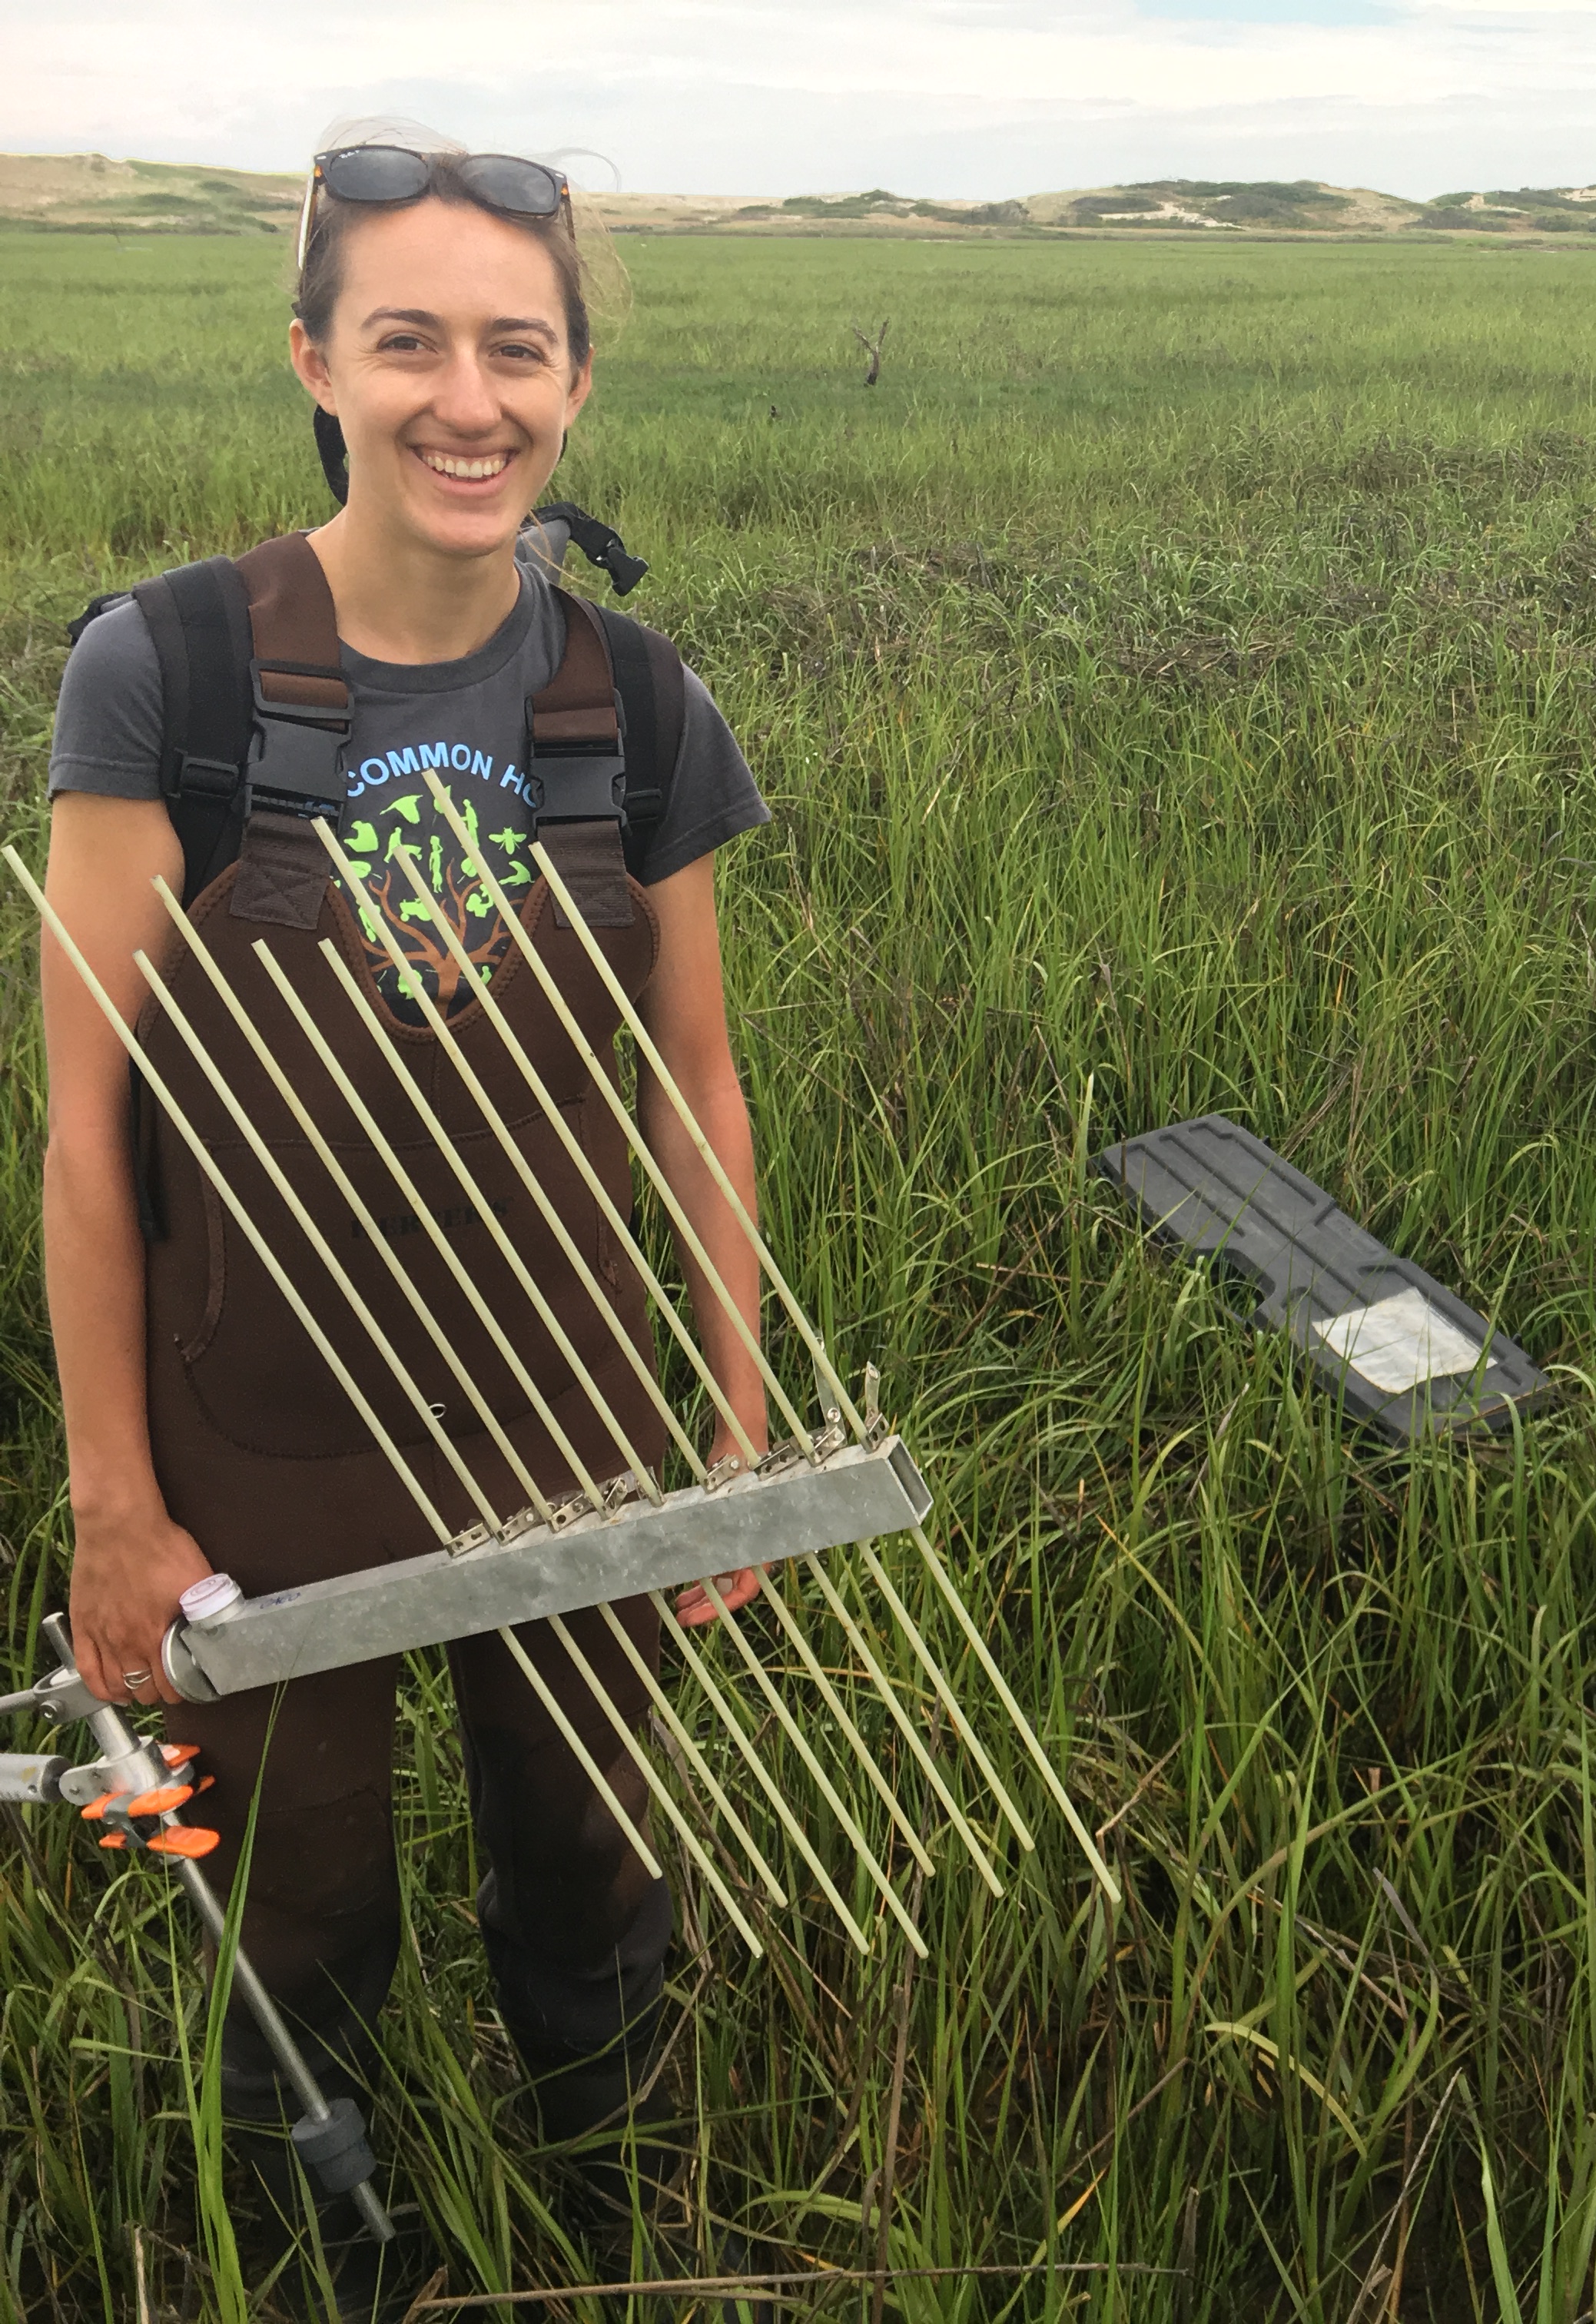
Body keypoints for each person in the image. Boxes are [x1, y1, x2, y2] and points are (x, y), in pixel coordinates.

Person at [39, 127, 771, 2308]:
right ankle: (323, 2259)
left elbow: (697, 1082)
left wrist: (728, 1429)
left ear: (573, 385)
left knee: (587, 1878)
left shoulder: (634, 703)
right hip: (257, 1442)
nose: (472, 398)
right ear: (317, 361)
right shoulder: (165, 677)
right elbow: (84, 1133)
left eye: (518, 349)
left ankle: (603, 2242)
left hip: (562, 1415)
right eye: (412, 341)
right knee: (297, 1915)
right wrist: (109, 1505)